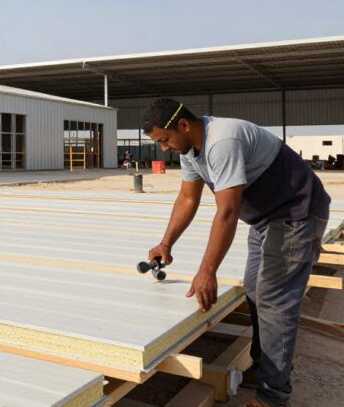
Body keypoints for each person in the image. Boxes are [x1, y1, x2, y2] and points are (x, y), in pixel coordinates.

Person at [141, 98, 329, 407]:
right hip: (265, 219)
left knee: (274, 300)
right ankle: (266, 369)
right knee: (255, 292)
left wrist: (207, 271)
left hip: (296, 214)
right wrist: (166, 243)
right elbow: (188, 199)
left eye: (164, 140)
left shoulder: (222, 141)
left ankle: (273, 397)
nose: (163, 148)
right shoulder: (190, 150)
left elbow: (226, 212)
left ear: (183, 125)